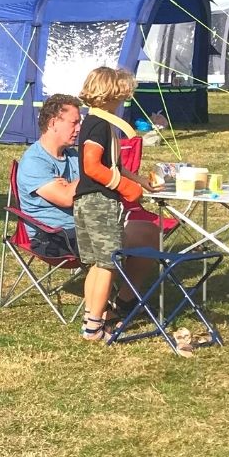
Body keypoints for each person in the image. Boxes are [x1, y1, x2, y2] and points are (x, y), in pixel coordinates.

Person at [74, 67, 151, 343]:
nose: (123, 101)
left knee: (96, 264)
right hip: (100, 202)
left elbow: (112, 165)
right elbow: (92, 166)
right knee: (108, 264)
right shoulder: (98, 124)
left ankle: (89, 320)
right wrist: (125, 186)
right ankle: (96, 325)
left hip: (86, 201)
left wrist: (139, 179)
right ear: (109, 95)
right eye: (120, 96)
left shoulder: (95, 122)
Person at [16, 94, 82, 258]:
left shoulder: (71, 155)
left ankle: (121, 284)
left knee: (146, 231)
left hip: (82, 228)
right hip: (53, 238)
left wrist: (71, 185)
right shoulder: (35, 161)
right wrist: (90, 173)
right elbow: (67, 198)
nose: (79, 128)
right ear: (53, 123)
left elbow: (86, 189)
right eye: (74, 123)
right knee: (128, 240)